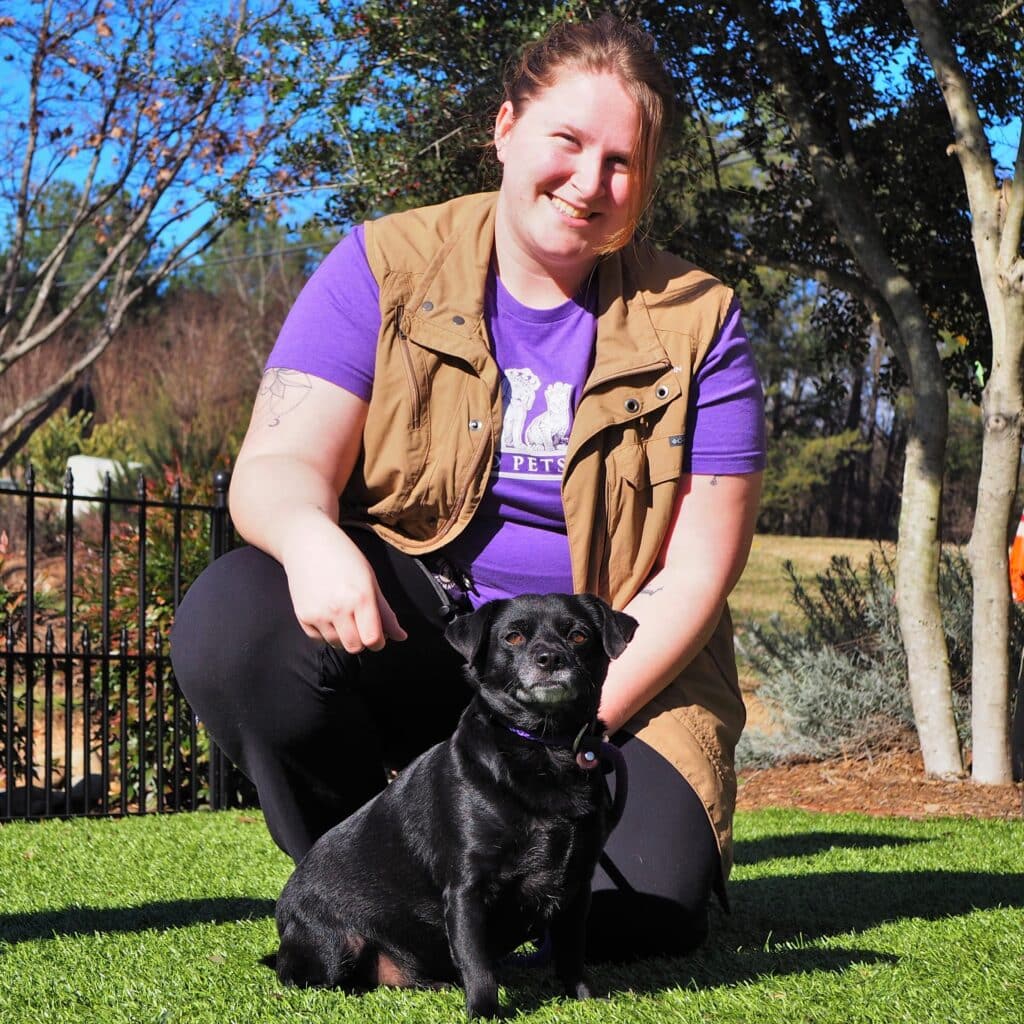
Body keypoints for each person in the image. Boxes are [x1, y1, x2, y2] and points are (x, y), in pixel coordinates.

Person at [170, 13, 765, 961]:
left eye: (621, 162)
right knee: (237, 625)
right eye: (566, 142)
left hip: (603, 669)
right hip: (424, 629)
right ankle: (377, 890)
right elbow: (276, 469)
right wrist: (315, 541)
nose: (588, 182)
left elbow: (695, 575)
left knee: (646, 913)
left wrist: (560, 730)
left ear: (644, 183)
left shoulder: (702, 322)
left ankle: (491, 893)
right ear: (503, 128)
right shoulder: (379, 264)